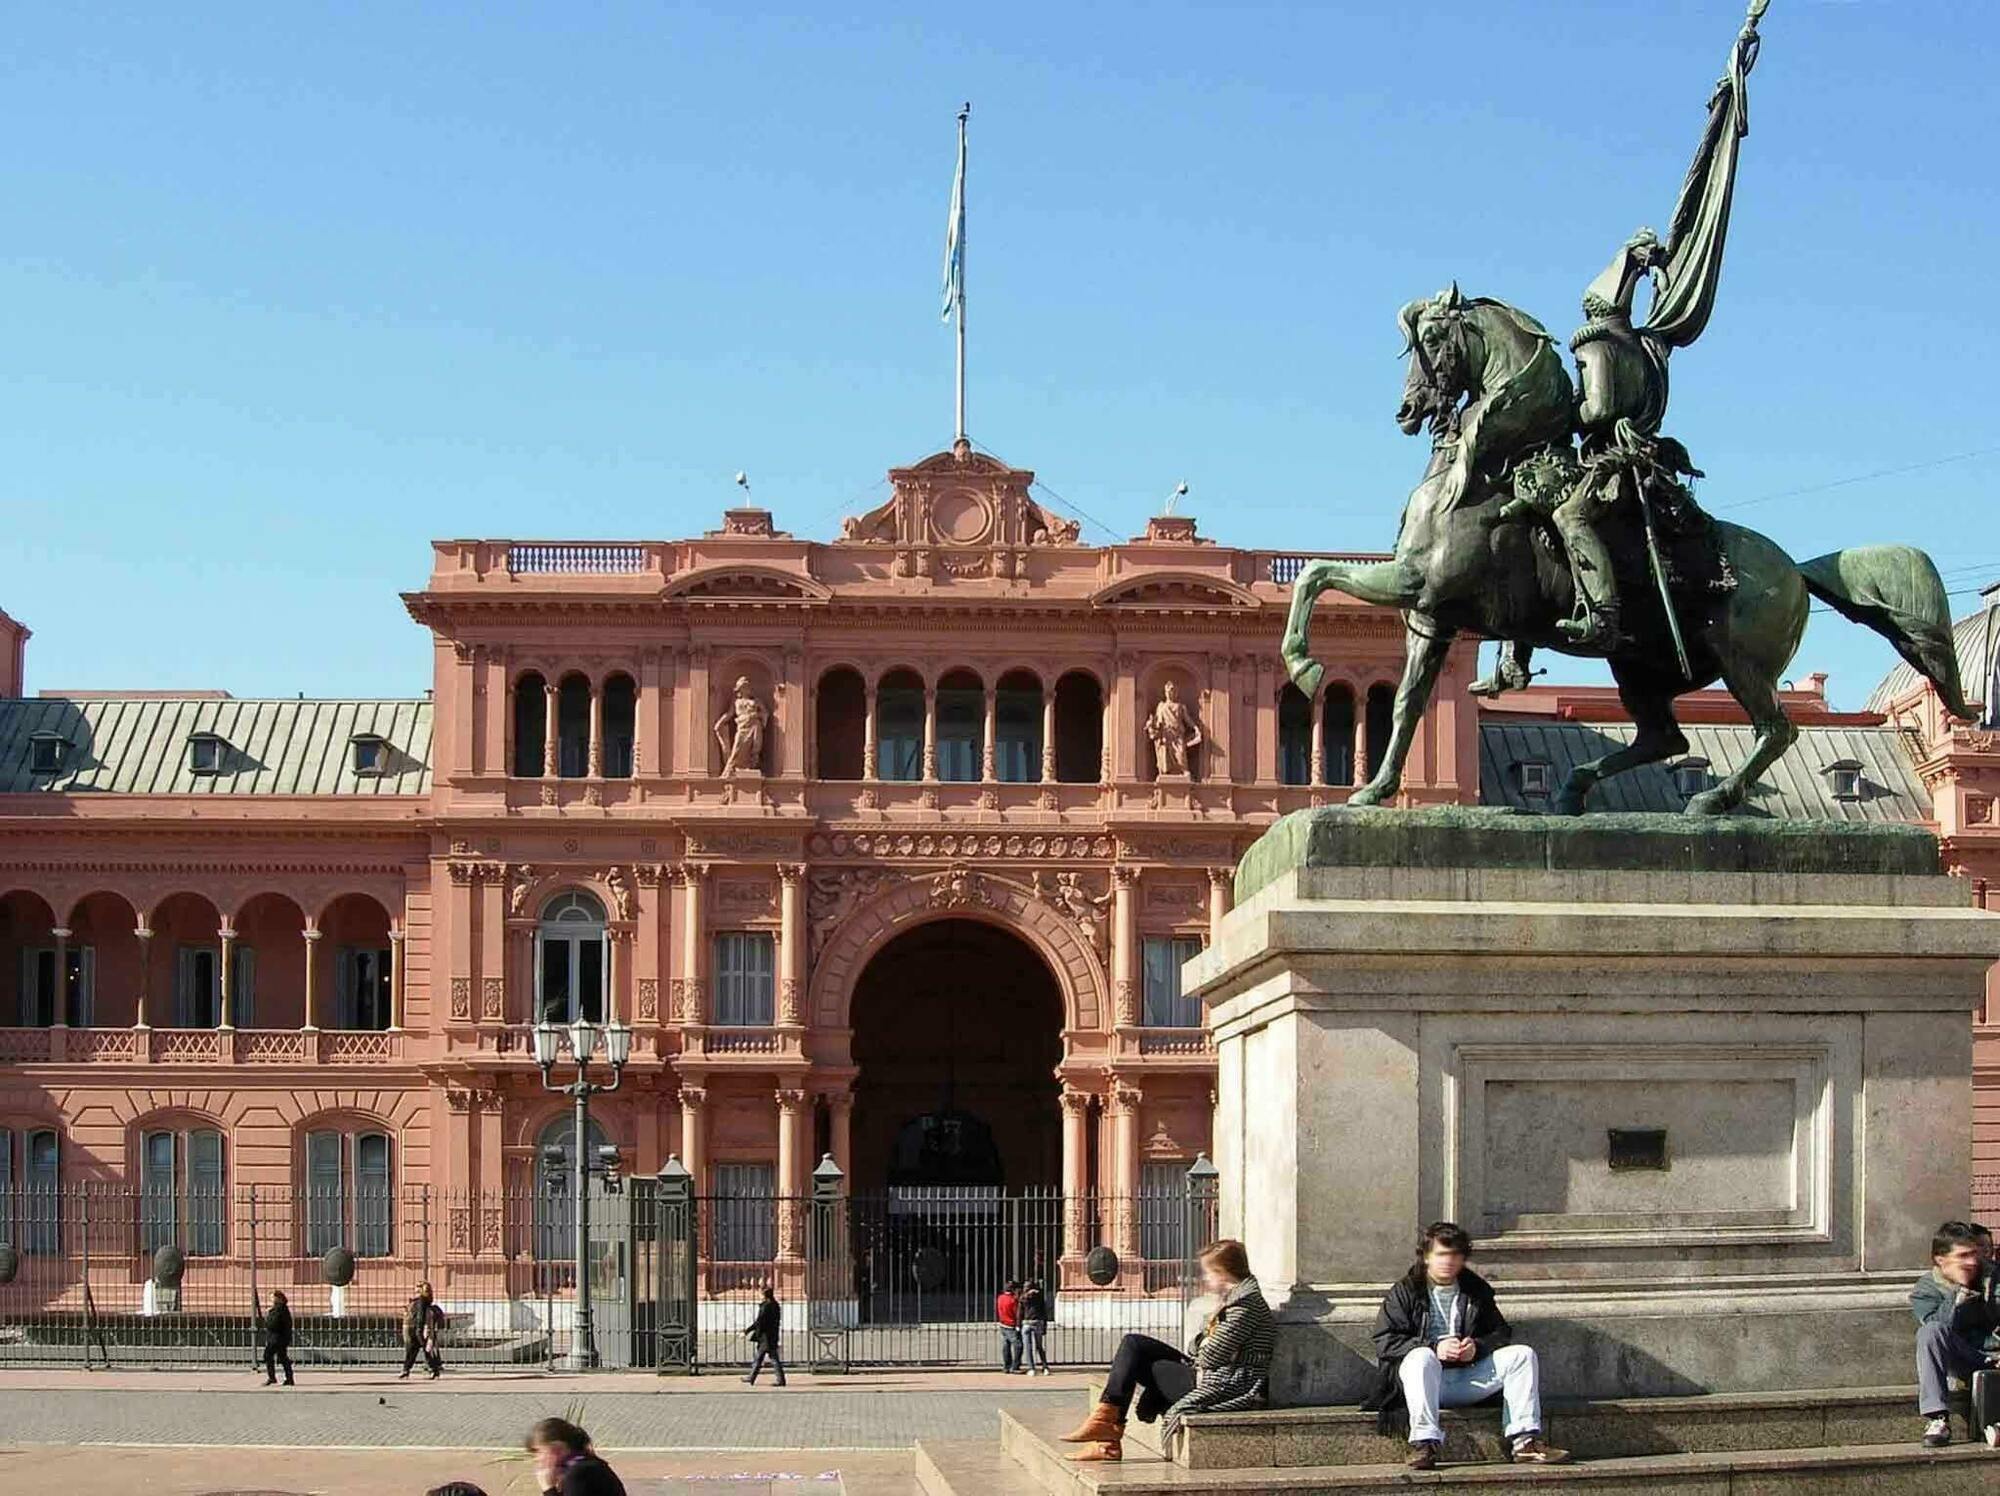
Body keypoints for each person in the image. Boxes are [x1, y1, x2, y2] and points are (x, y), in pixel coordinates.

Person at [1361, 1221, 1569, 1470]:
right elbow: (1385, 1340)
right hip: (1423, 1382)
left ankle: (1525, 1442)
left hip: (1467, 1378)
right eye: (1441, 1254)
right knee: (1421, 1357)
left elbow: (1500, 1333)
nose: (1448, 1261)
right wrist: (1434, 1347)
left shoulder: (1476, 1290)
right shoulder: (1406, 1291)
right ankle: (1424, 1443)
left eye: (1455, 1254)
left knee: (1522, 1355)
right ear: (1426, 1256)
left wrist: (1477, 1348)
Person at [1060, 1239, 1274, 1463]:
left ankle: (1107, 1436)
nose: (1205, 1279)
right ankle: (1105, 1428)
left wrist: (1204, 1342)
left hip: (1224, 1384)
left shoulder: (1243, 1307)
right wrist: (1205, 1342)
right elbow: (1198, 1345)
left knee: (1144, 1362)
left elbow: (1211, 1356)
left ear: (1224, 1274)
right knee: (1134, 1344)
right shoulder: (1232, 1302)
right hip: (1209, 1372)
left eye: (1209, 1273)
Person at [1912, 1220, 2000, 1449]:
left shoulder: (1993, 1276)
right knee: (1929, 1331)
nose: (1971, 1262)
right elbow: (1940, 1330)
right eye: (1962, 1256)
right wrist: (1958, 1293)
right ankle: (1937, 1419)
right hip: (1964, 1355)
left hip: (1995, 1352)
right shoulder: (1926, 1289)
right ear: (1941, 1260)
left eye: (1973, 1254)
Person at [526, 1416, 626, 1496]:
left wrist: (548, 1487)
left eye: (538, 1451)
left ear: (557, 1448)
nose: (536, 1458)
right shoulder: (584, 1462)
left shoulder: (577, 1473)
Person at [743, 1284, 786, 1387]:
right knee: (771, 1357)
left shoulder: (766, 1306)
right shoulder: (775, 1305)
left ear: (764, 1295)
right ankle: (752, 1377)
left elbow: (759, 1322)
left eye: (760, 1293)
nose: (759, 1295)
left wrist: (747, 1331)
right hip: (772, 1335)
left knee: (763, 1358)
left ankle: (752, 1378)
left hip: (765, 1337)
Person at [401, 1280, 444, 1380]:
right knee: (417, 1350)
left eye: (417, 1286)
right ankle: (407, 1370)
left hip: (418, 1329)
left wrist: (419, 1329)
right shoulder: (423, 1300)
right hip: (419, 1328)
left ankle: (433, 1370)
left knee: (421, 1350)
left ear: (421, 1289)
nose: (415, 1288)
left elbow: (420, 1316)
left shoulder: (421, 1300)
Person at [260, 1289, 294, 1387]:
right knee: (282, 1357)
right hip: (280, 1338)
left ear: (278, 1298)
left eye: (272, 1297)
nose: (271, 1299)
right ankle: (289, 1378)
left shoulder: (279, 1309)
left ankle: (272, 1377)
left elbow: (273, 1324)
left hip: (277, 1339)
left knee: (268, 1355)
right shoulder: (281, 1309)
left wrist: (268, 1316)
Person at [1019, 1278, 1052, 1375]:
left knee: (1028, 1347)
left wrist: (1018, 1324)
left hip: (1026, 1322)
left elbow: (1020, 1311)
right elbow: (1044, 1311)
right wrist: (1045, 1326)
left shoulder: (1023, 1297)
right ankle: (1045, 1366)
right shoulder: (1039, 1296)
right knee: (1039, 1346)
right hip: (1038, 1322)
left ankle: (1031, 1368)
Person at [996, 1279, 1023, 1374]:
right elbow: (1017, 1313)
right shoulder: (1013, 1300)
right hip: (1011, 1325)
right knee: (1018, 1345)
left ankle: (1006, 1365)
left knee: (1006, 1346)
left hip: (1003, 1324)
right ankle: (1015, 1366)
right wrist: (1018, 1325)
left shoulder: (1000, 1298)